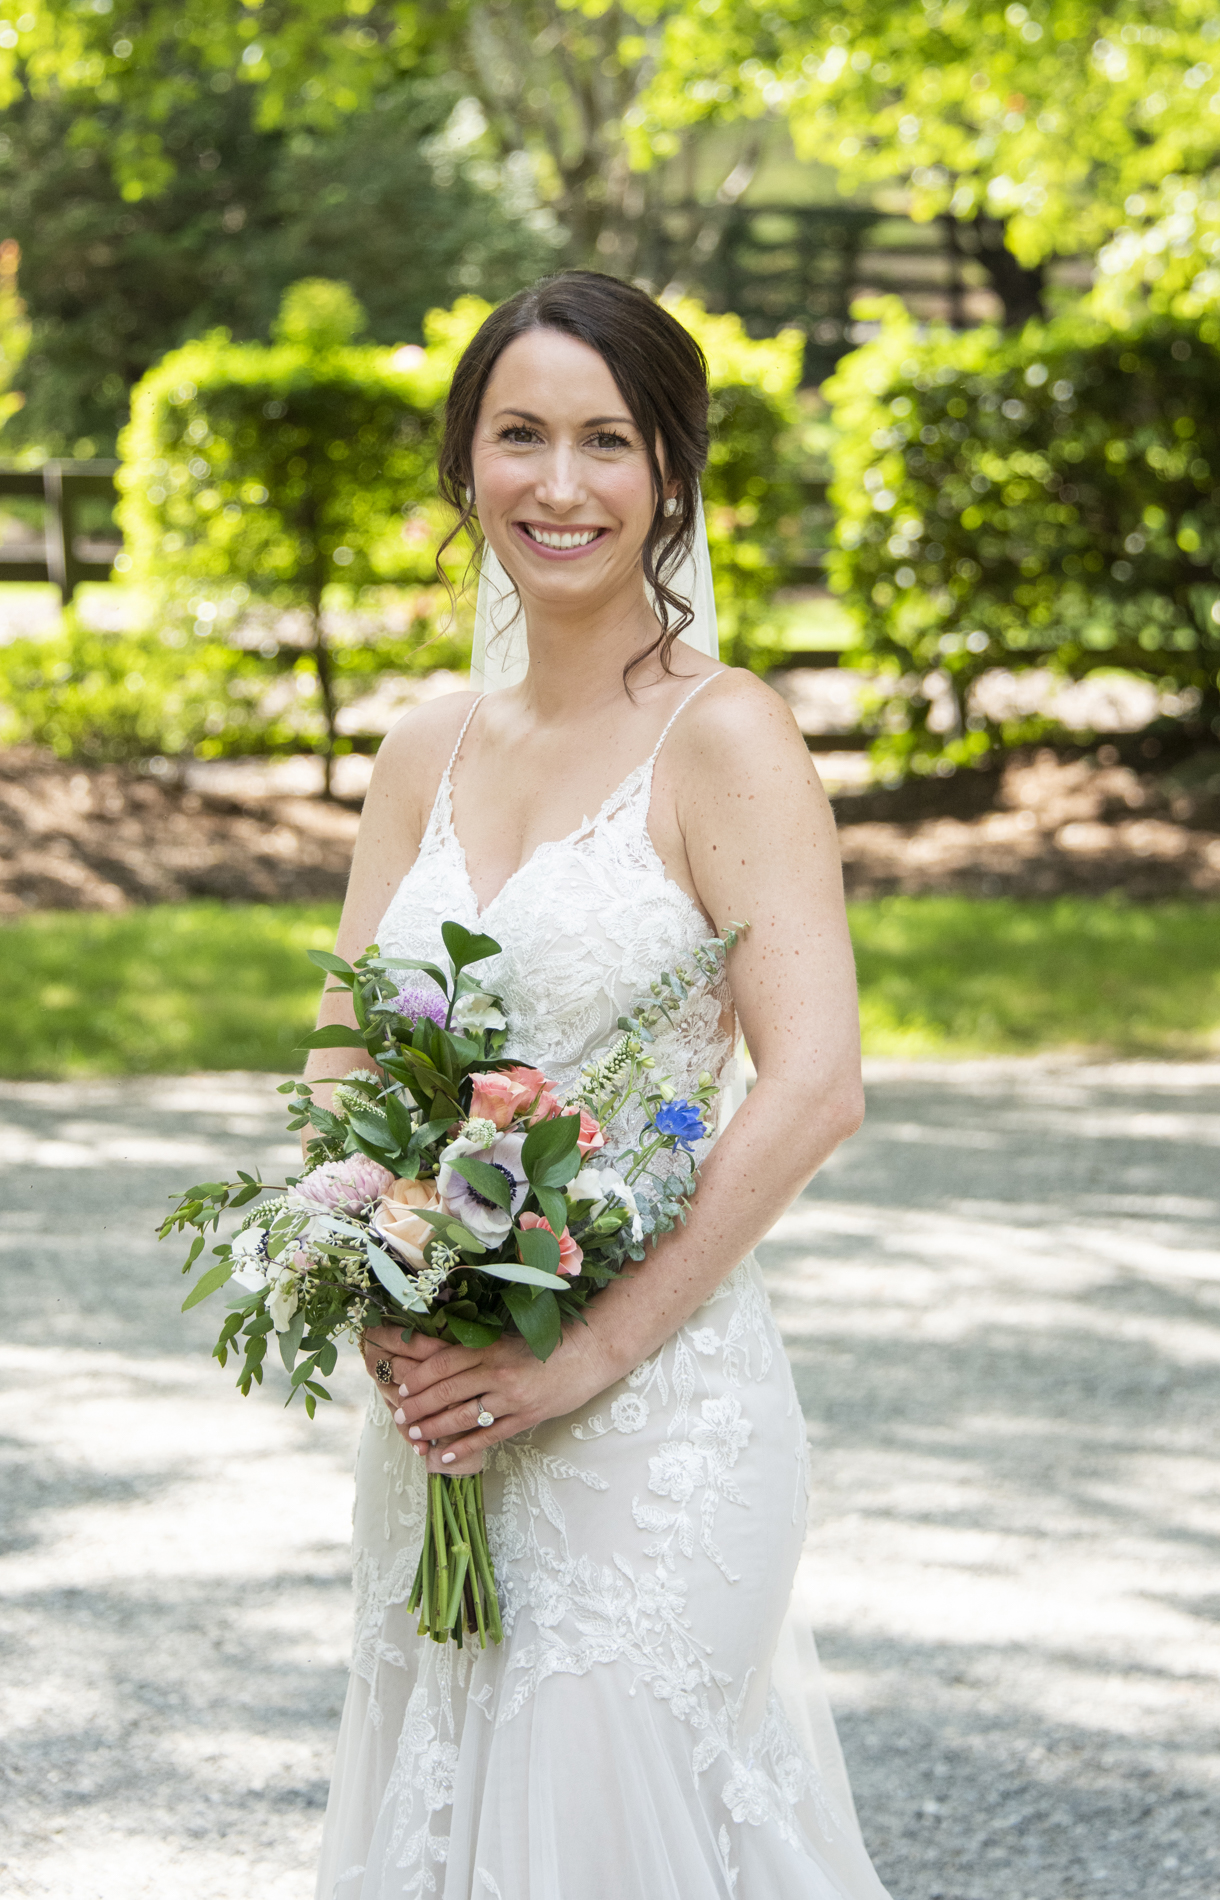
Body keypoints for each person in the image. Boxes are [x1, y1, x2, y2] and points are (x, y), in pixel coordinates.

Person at [306, 270, 892, 1900]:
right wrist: (376, 1278)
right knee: (443, 1812)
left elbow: (816, 1084)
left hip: (656, 1415)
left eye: (604, 441)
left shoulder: (728, 740)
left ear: (667, 475)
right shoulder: (421, 750)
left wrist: (588, 1356)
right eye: (519, 437)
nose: (558, 485)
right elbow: (343, 1060)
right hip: (446, 1411)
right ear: (464, 464)